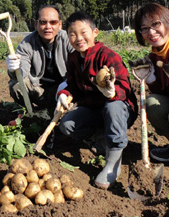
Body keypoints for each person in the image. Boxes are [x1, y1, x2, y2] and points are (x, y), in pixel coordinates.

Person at [56, 11, 138, 190]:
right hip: (94, 111)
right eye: (72, 34)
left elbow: (125, 88)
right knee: (67, 124)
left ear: (95, 32)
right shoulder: (73, 58)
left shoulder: (108, 55)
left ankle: (113, 161)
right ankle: (102, 139)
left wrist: (112, 92)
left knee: (113, 106)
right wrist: (63, 94)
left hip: (120, 110)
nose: (78, 38)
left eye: (83, 32)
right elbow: (73, 86)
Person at [131, 3, 169, 162]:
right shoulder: (156, 56)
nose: (151, 32)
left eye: (156, 24)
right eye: (144, 28)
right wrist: (151, 79)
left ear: (168, 21)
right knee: (152, 103)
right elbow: (165, 94)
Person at [6, 4, 74, 117]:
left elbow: (79, 66)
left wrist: (66, 86)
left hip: (64, 89)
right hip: (38, 91)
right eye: (43, 22)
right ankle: (29, 114)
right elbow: (22, 73)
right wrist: (14, 70)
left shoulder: (69, 40)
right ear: (36, 24)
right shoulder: (26, 45)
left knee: (71, 112)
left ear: (60, 24)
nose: (48, 26)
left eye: (53, 22)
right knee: (15, 84)